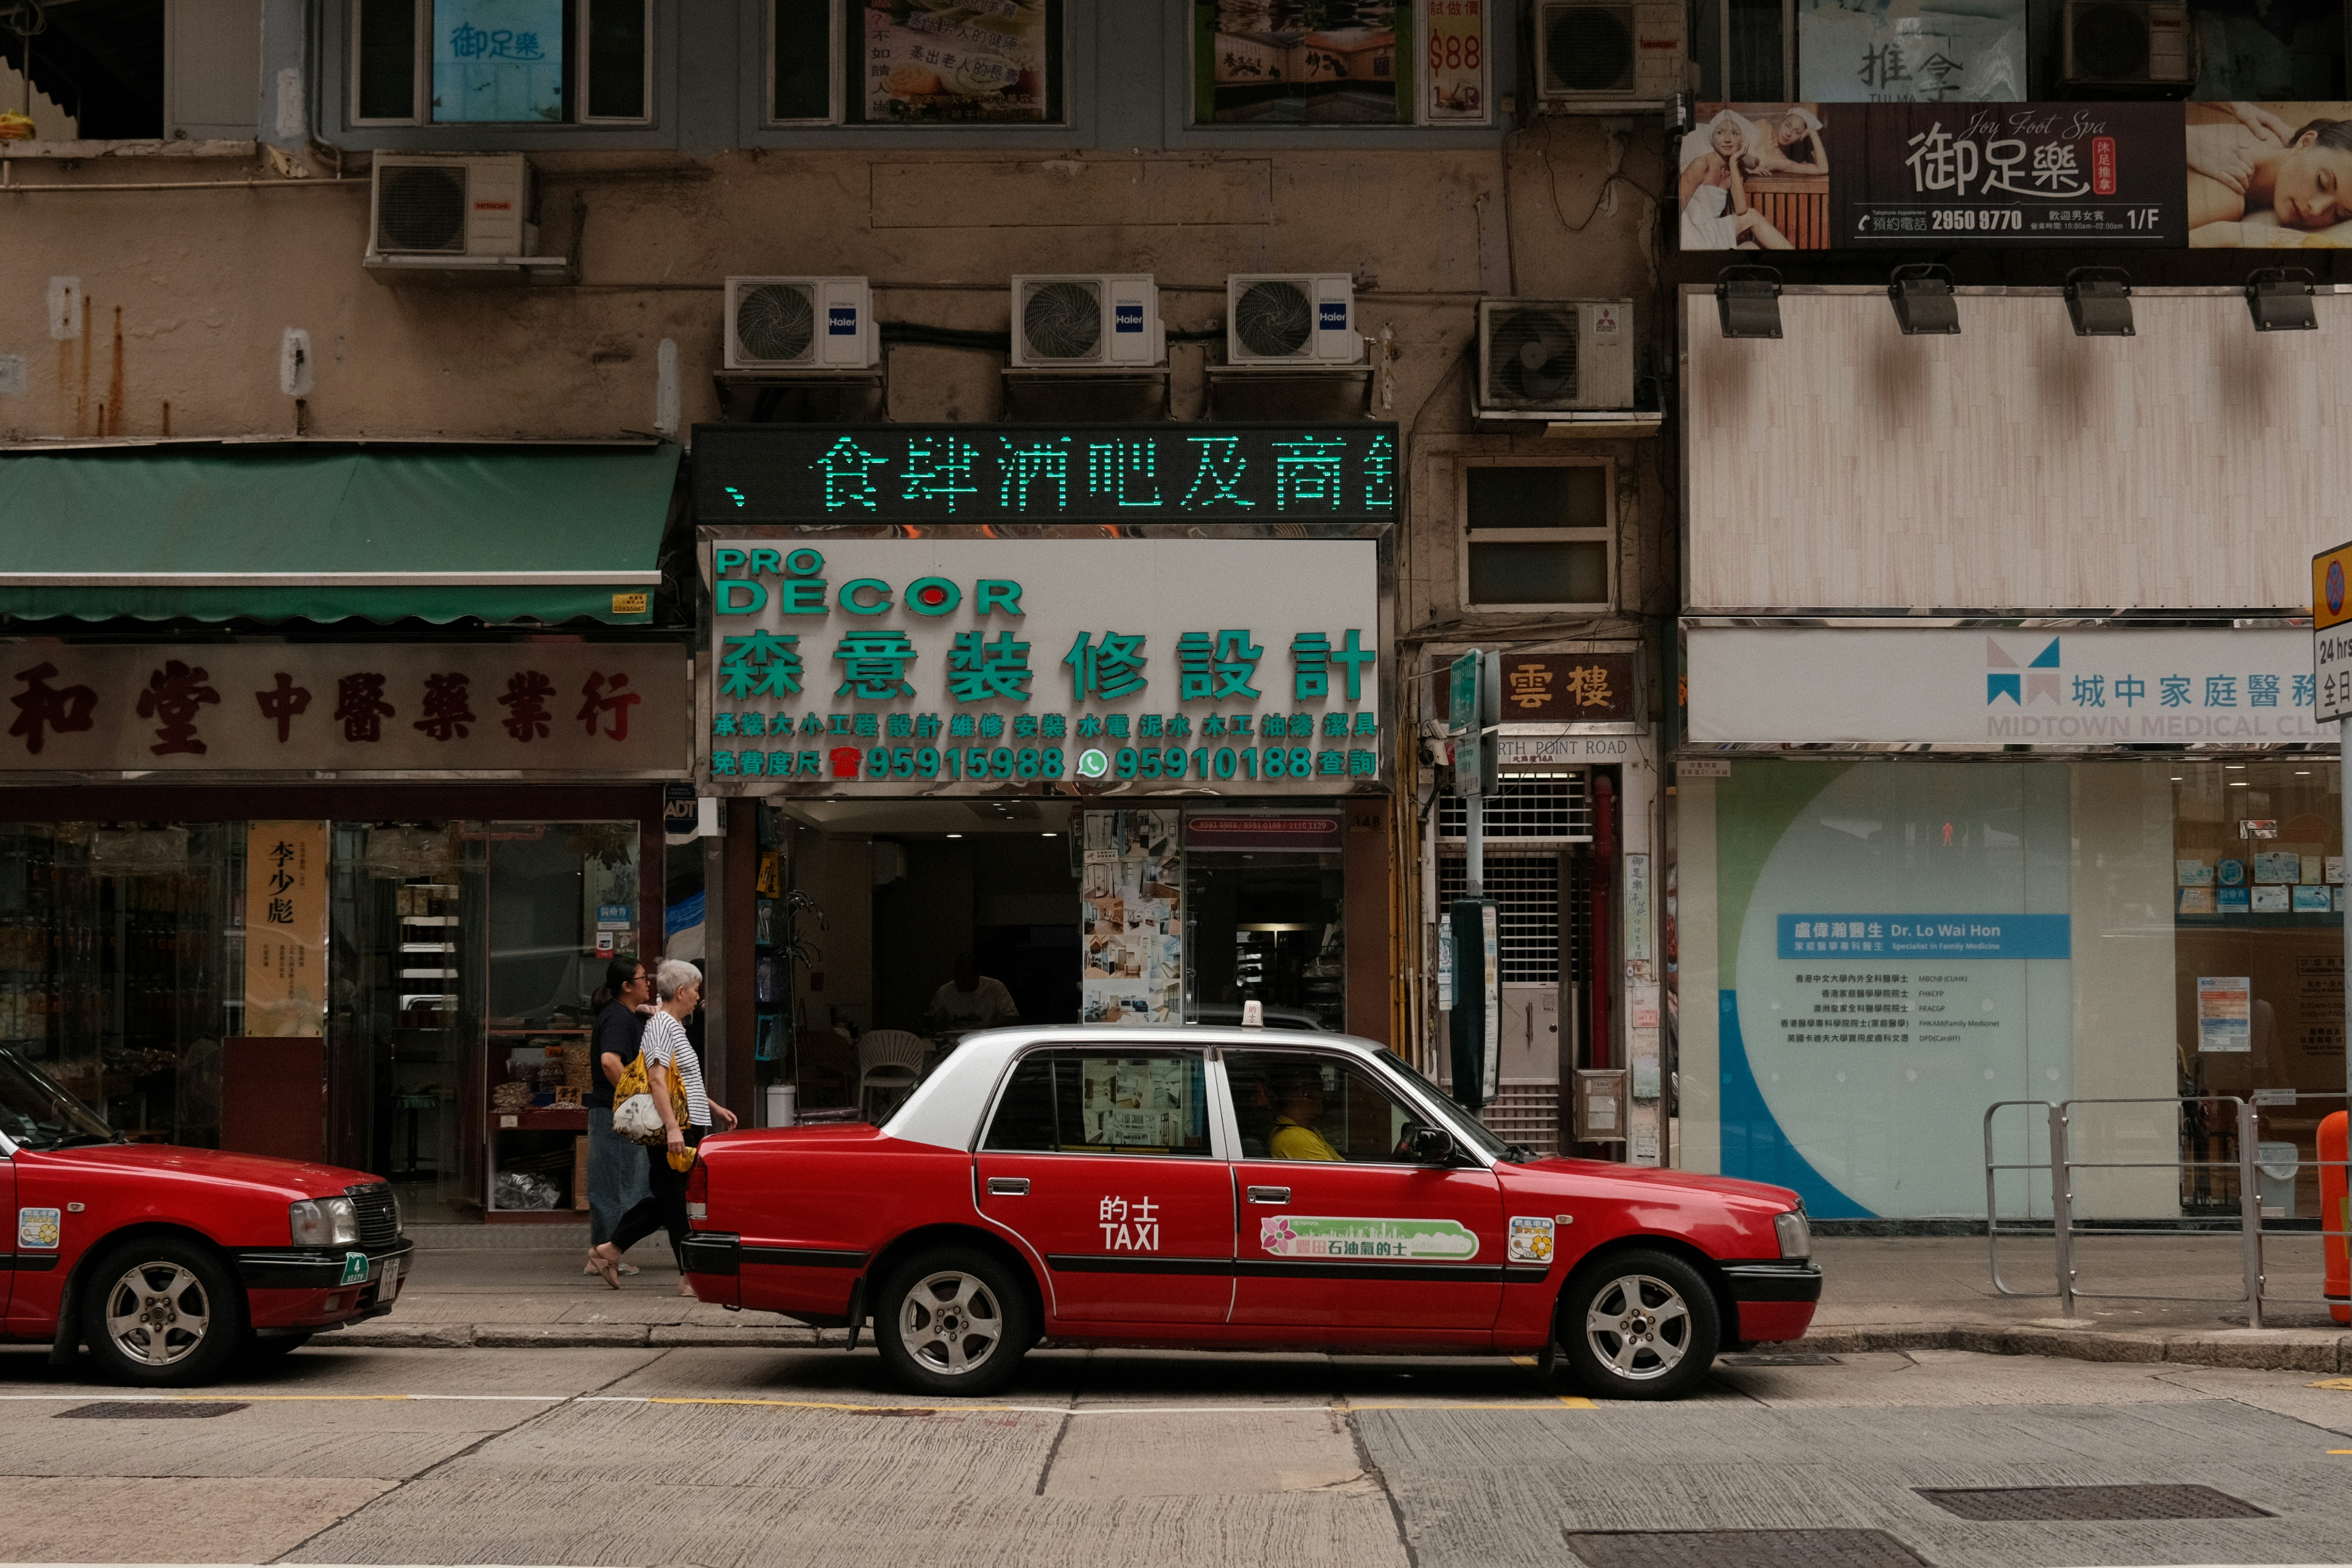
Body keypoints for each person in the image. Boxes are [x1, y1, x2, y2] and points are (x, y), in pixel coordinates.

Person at [590, 959, 735, 1294]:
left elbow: (681, 1083)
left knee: (669, 1196)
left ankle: (610, 1250)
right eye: (696, 990)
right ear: (681, 992)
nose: (698, 997)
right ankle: (689, 1275)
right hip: (675, 1127)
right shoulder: (662, 1026)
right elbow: (657, 1080)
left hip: (686, 1123)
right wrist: (672, 1129)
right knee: (678, 1200)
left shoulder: (674, 1026)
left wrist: (713, 1107)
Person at [2188, 104, 2352, 246]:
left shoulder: (2272, 141)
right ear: (2305, 142)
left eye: (2339, 214)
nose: (2316, 209)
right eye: (2322, 182)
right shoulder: (2226, 195)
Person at [582, 954, 653, 1279]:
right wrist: (636, 1099)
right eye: (643, 979)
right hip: (617, 1112)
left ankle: (604, 1253)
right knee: (618, 1185)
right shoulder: (617, 1018)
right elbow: (611, 1061)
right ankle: (604, 1256)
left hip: (615, 1111)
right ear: (627, 986)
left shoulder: (626, 1015)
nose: (648, 983)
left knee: (618, 1183)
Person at [1679, 110, 1793, 251]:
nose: (1727, 140)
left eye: (1734, 133)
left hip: (1712, 228)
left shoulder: (1735, 169)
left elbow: (1741, 210)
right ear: (1713, 138)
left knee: (1752, 221)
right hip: (1689, 232)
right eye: (1720, 133)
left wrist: (1734, 163)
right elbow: (1679, 203)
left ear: (1742, 141)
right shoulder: (1702, 164)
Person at [925, 951, 1021, 1036]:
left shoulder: (995, 988)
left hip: (985, 1037)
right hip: (955, 1041)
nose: (960, 982)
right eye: (957, 977)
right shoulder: (945, 992)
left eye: (965, 978)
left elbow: (1014, 1019)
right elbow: (930, 1020)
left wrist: (991, 1026)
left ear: (977, 974)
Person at [1267, 1063, 1342, 1162]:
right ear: (1306, 1094)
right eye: (1320, 1089)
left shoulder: (1306, 1131)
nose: (1325, 1096)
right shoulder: (1297, 1138)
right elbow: (1338, 1172)